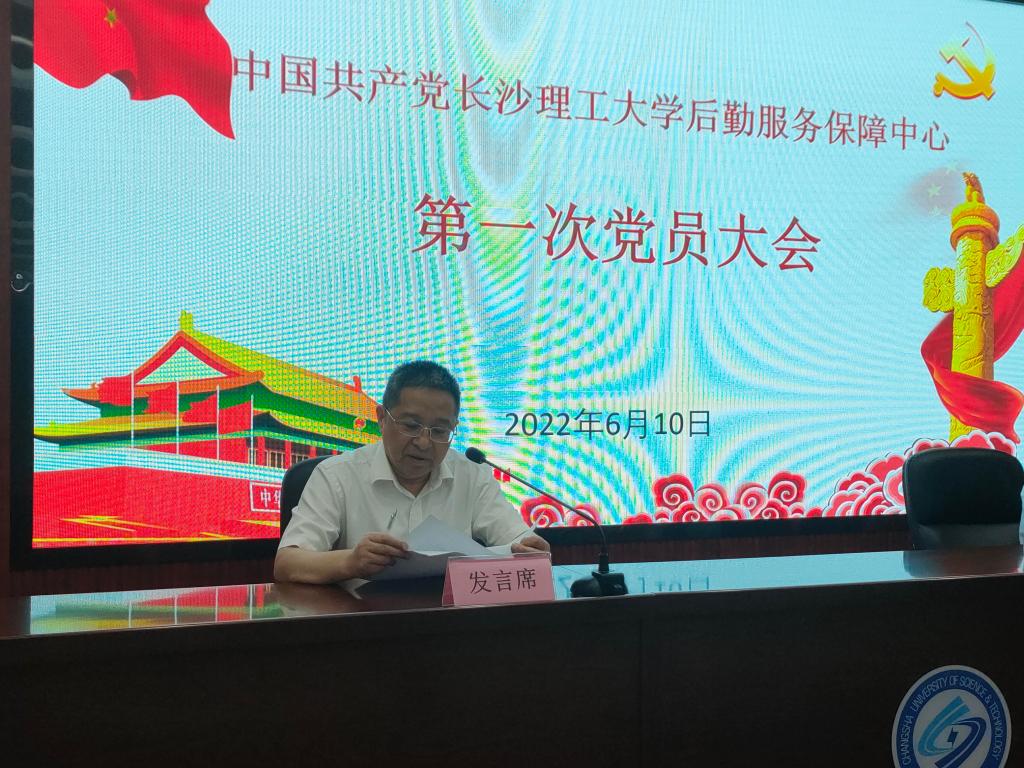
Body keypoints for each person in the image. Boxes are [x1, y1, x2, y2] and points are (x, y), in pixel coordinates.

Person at [274, 360, 550, 584]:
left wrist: (532, 550)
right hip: (361, 622)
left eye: (439, 431)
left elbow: (519, 542)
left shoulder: (472, 476)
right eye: (411, 426)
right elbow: (287, 564)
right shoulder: (336, 475)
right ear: (382, 418)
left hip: (453, 624)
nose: (424, 442)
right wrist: (351, 562)